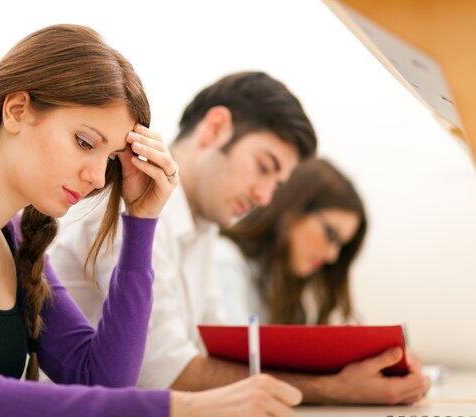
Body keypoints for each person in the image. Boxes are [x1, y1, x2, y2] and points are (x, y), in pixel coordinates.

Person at [0, 25, 303, 417]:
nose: (93, 176)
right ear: (17, 110)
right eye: (85, 142)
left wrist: (141, 222)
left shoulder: (17, 239)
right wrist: (182, 406)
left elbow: (101, 378)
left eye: (107, 159)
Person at [51, 71, 431, 404]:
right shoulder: (131, 207)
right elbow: (162, 373)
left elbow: (222, 353)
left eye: (277, 185)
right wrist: (332, 387)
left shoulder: (202, 229)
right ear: (215, 128)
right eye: (264, 167)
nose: (265, 197)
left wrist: (347, 360)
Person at [216, 157, 366, 326]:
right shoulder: (225, 262)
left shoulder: (289, 290)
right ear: (293, 208)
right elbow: (234, 353)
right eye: (331, 234)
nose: (333, 256)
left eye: (341, 245)